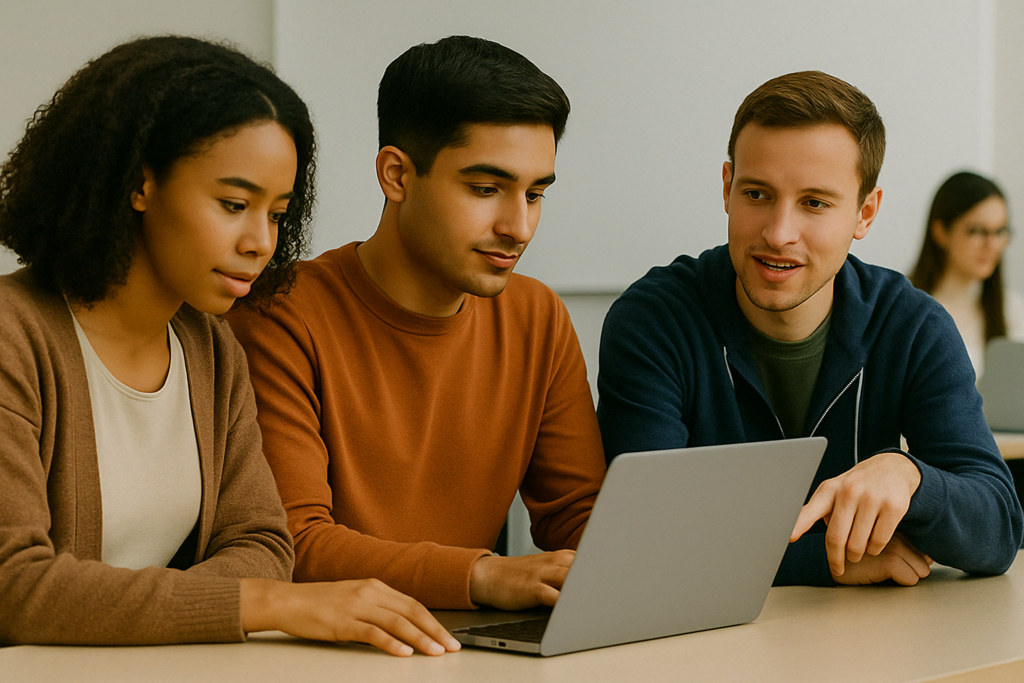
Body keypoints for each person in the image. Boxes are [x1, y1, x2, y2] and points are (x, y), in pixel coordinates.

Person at [0, 36, 458, 657]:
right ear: (139, 183)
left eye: (276, 214)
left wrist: (159, 609)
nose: (261, 242)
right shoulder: (14, 335)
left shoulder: (210, 346)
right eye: (234, 204)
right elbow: (16, 588)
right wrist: (263, 604)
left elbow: (265, 545)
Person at [597, 71, 1023, 588]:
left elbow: (1000, 529)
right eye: (757, 194)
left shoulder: (913, 326)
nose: (778, 234)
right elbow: (645, 538)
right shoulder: (654, 320)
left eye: (815, 203)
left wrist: (911, 477)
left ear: (864, 213)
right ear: (727, 188)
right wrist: (831, 559)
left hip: (863, 651)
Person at [226, 35, 606, 611]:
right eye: (486, 189)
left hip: (462, 648)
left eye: (535, 194)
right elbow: (294, 545)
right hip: (328, 653)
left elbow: (579, 515)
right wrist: (482, 577)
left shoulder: (538, 317)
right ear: (397, 175)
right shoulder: (281, 316)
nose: (519, 227)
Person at [909, 171, 1024, 379]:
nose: (992, 245)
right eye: (977, 231)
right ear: (941, 231)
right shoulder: (904, 307)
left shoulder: (1013, 312)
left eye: (1000, 232)